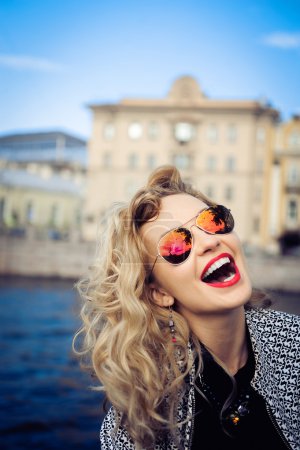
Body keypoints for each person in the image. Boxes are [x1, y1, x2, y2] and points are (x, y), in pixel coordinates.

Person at [75, 165, 300, 450]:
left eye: (213, 221)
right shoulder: (140, 420)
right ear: (159, 293)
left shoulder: (295, 342)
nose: (210, 241)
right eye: (176, 246)